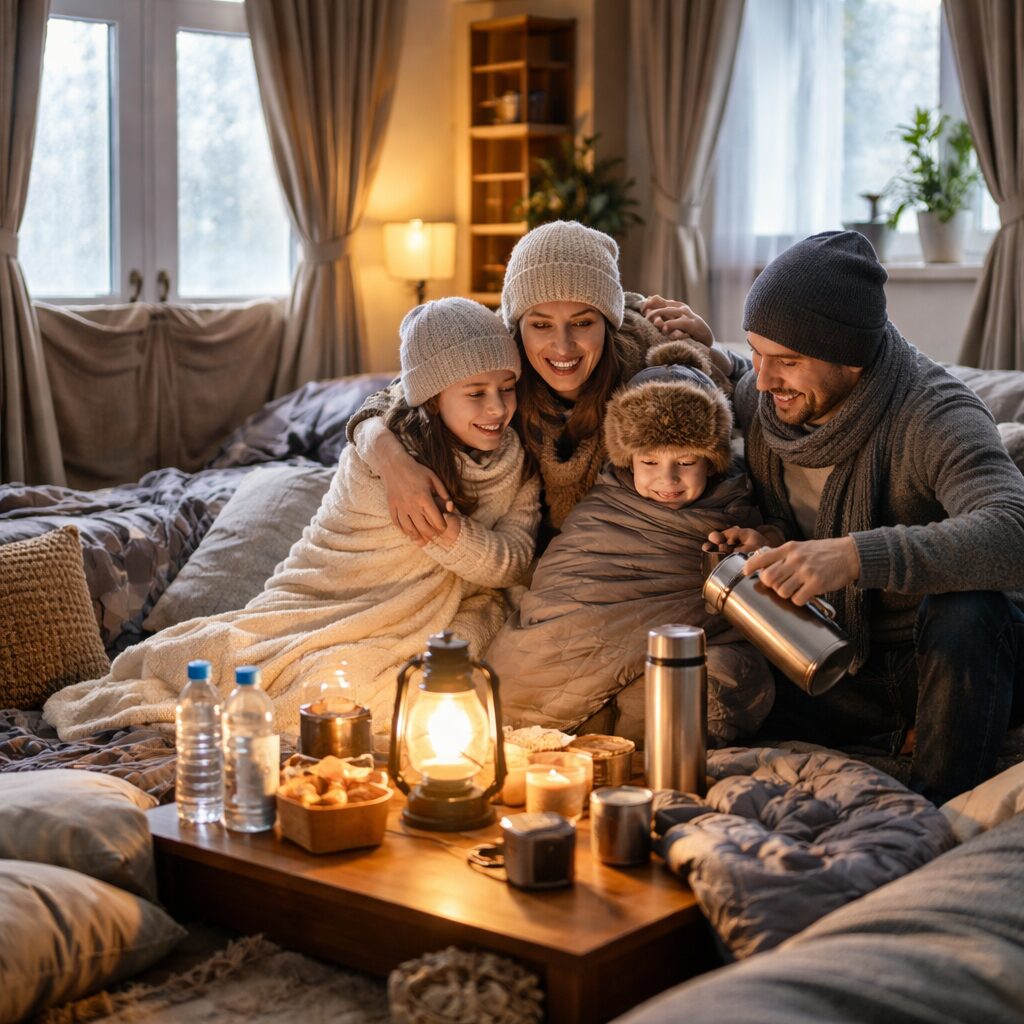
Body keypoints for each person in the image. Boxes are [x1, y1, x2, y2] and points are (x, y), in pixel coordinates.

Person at [44, 299, 541, 742]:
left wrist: (450, 533)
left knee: (401, 689)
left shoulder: (515, 460)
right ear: (431, 397)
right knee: (263, 667)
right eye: (476, 393)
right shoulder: (379, 459)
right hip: (326, 597)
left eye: (508, 388)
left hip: (433, 612)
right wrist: (392, 461)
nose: (498, 408)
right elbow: (342, 559)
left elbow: (515, 559)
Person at [648, 230, 1024, 804]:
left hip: (943, 660)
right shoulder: (761, 398)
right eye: (755, 352)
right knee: (719, 662)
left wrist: (852, 556)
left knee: (968, 607)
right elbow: (731, 384)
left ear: (850, 358)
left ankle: (934, 811)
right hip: (841, 664)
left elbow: (1012, 530)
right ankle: (892, 740)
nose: (766, 378)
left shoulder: (935, 413)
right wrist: (766, 538)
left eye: (788, 361)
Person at [346, 220, 722, 545]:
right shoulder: (497, 351)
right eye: (541, 325)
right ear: (516, 324)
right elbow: (396, 395)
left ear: (608, 322)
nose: (562, 346)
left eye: (582, 323)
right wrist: (392, 461)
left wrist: (711, 347)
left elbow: (734, 390)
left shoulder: (646, 356)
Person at [486, 339, 773, 746]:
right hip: (579, 639)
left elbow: (755, 581)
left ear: (712, 459)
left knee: (721, 676)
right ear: (627, 459)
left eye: (686, 462)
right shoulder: (603, 507)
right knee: (529, 668)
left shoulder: (733, 507)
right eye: (650, 463)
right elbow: (562, 587)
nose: (667, 480)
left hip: (673, 660)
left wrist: (766, 542)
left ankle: (629, 751)